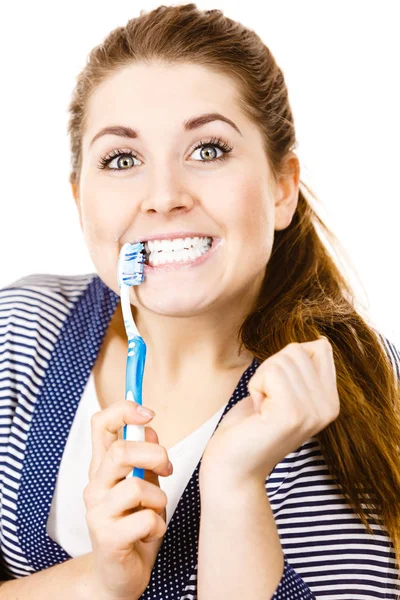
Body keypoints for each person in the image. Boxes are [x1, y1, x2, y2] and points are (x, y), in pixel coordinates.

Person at [0, 3, 399, 599]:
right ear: (80, 200)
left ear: (282, 187)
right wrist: (101, 583)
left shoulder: (337, 399)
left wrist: (236, 486)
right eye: (122, 159)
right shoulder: (21, 331)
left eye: (207, 150)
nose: (163, 196)